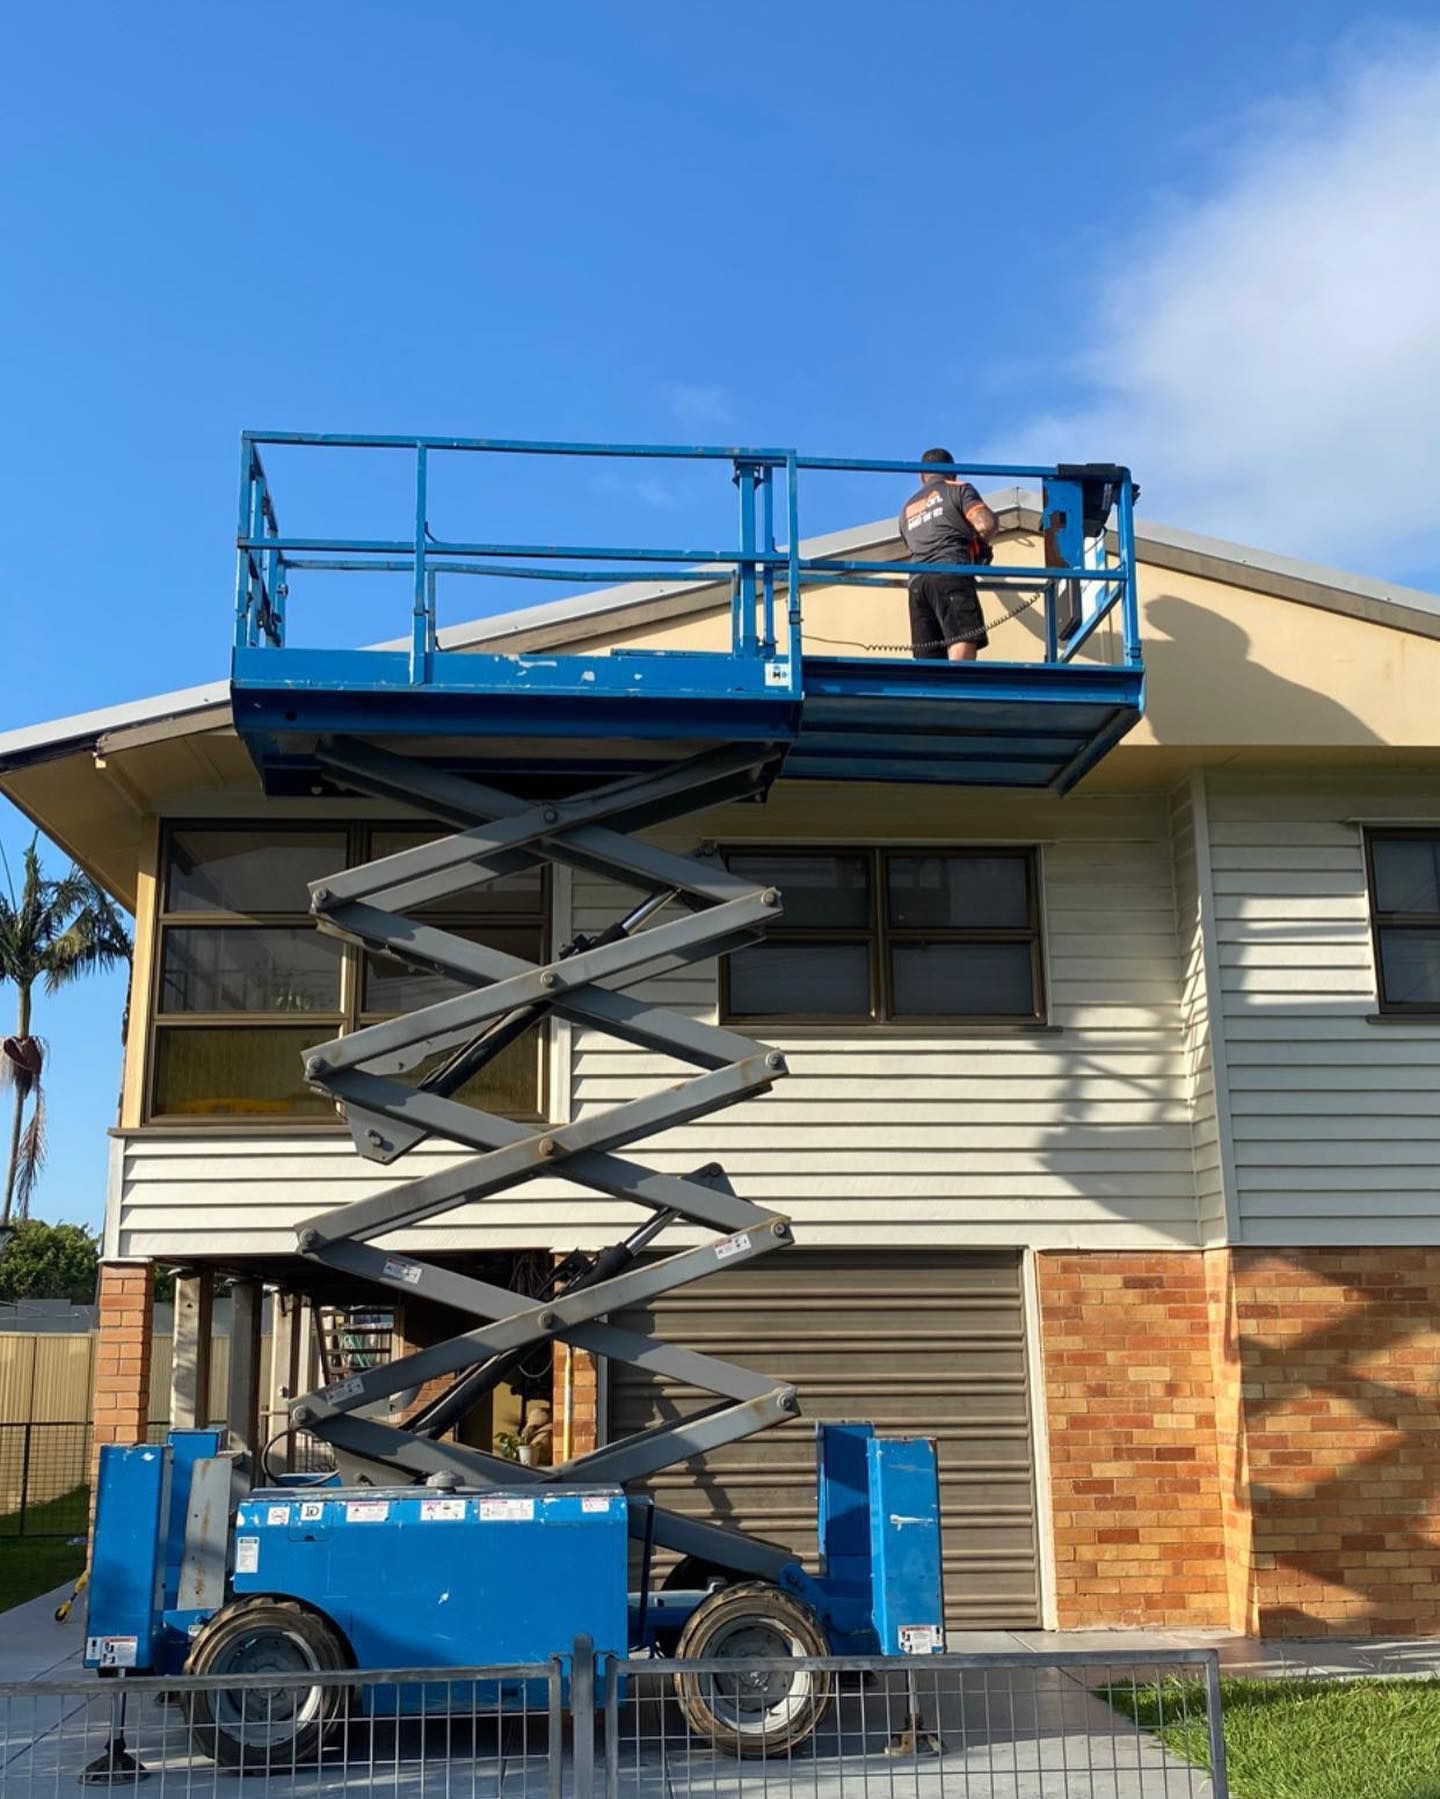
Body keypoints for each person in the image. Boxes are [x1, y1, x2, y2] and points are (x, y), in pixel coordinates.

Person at [897, 448, 998, 662]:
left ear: (921, 476)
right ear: (952, 473)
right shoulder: (958, 489)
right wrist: (980, 545)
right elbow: (985, 524)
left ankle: (932, 695)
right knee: (963, 640)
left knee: (928, 657)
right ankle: (958, 692)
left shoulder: (906, 509)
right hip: (950, 572)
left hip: (917, 584)